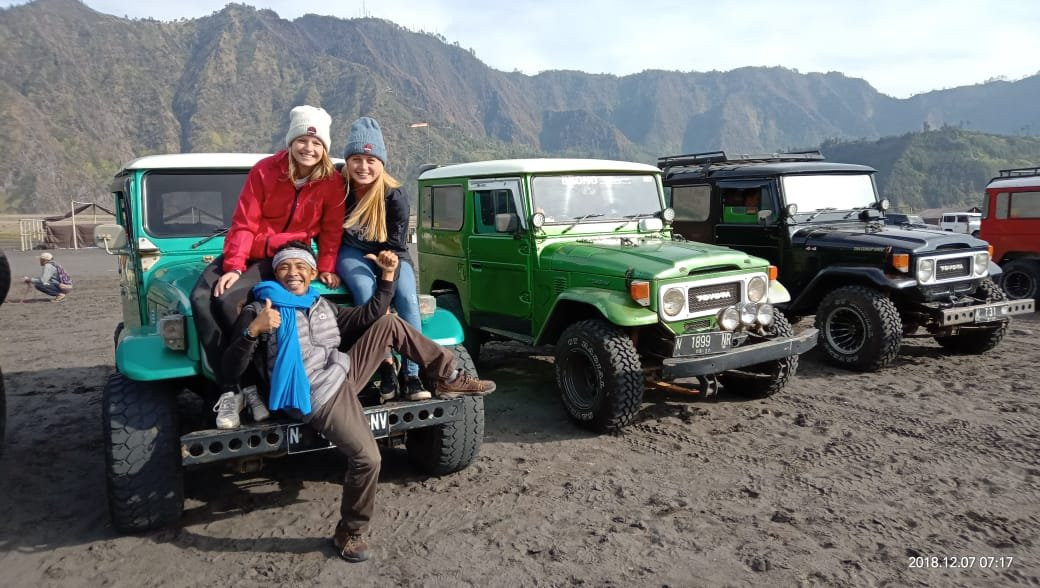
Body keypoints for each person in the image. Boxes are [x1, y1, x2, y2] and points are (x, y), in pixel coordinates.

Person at [222, 243, 495, 563]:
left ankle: (447, 375)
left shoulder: (320, 304)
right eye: (285, 267)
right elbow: (230, 369)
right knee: (369, 459)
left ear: (312, 273)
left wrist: (389, 275)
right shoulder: (260, 309)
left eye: (300, 267)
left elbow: (370, 315)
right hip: (312, 394)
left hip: (341, 372)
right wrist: (253, 332)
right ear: (276, 273)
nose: (293, 273)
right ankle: (350, 530)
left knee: (389, 324)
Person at [189, 105, 346, 423]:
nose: (309, 148)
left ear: (325, 148)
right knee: (205, 298)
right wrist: (233, 265)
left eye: (317, 143)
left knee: (238, 302)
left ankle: (256, 381)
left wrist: (327, 265)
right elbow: (244, 222)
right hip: (250, 252)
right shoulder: (265, 171)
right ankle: (234, 387)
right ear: (291, 141)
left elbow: (331, 229)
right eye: (303, 139)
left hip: (290, 255)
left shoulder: (331, 182)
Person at [336, 116, 426, 402]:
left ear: (381, 163)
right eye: (357, 159)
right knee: (365, 292)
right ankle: (385, 364)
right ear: (347, 161)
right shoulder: (338, 187)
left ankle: (412, 372)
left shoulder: (393, 196)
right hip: (353, 251)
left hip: (390, 252)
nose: (363, 166)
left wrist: (386, 265)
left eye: (370, 160)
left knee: (408, 299)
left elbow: (396, 244)